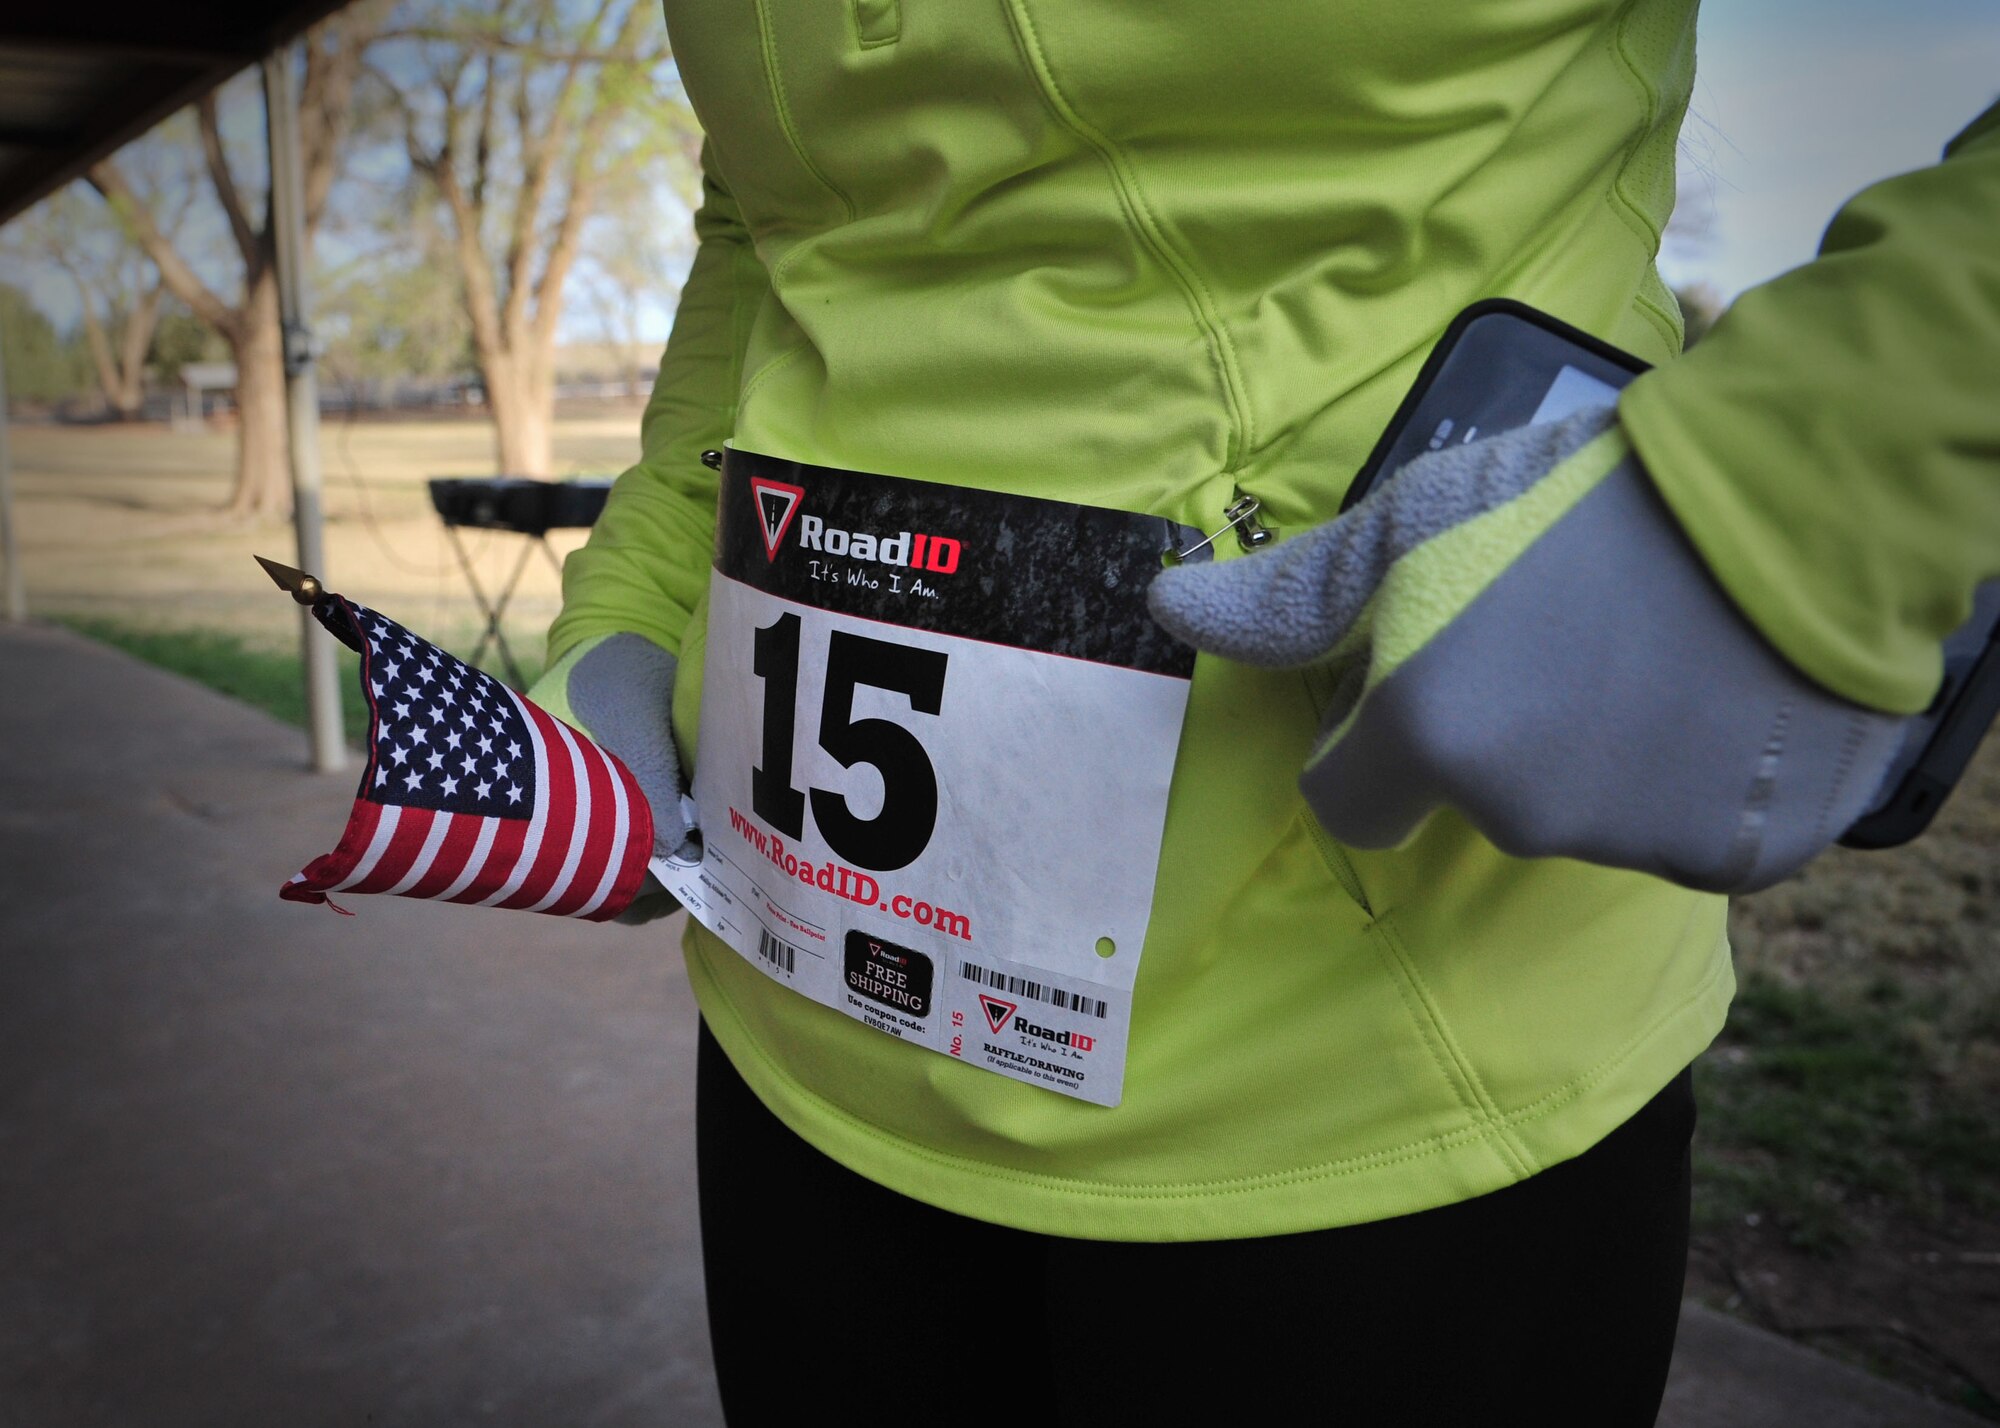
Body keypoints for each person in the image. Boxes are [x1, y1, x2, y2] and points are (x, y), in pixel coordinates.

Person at [528, 4, 2000, 1421]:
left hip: (1373, 1050)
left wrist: (1819, 475)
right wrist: (640, 600)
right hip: (802, 1021)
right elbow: (766, 232)